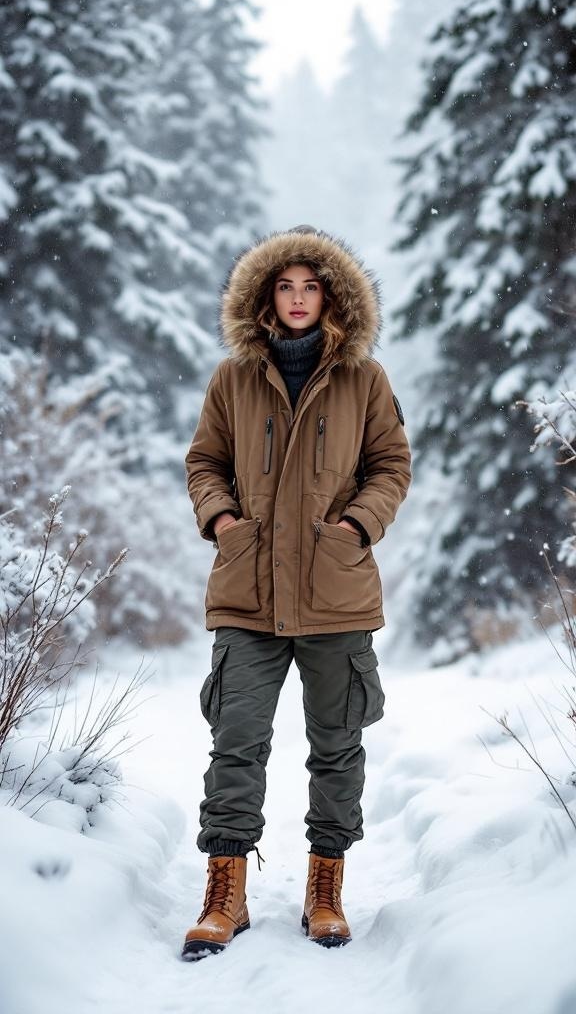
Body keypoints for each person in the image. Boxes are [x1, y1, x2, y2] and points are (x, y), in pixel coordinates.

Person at [182, 225, 411, 960]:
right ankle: (225, 894)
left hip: (335, 592)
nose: (299, 298)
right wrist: (223, 521)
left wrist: (355, 525)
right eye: (285, 286)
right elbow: (204, 461)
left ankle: (325, 890)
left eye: (311, 286)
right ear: (265, 296)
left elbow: (391, 465)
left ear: (332, 295)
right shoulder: (232, 378)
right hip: (247, 590)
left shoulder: (364, 379)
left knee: (338, 746)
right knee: (236, 740)